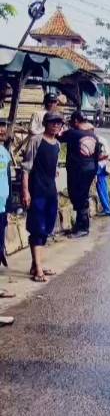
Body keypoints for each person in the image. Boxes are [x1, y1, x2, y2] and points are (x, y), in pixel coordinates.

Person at [22, 111, 64, 282]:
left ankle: (35, 264)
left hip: (50, 191)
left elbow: (54, 169)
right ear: (46, 123)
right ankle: (38, 269)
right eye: (53, 122)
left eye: (59, 123)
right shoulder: (36, 141)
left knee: (46, 227)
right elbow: (26, 168)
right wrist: (26, 191)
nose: (56, 125)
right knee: (37, 228)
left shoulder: (57, 144)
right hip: (37, 190)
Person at [60, 111, 101, 238]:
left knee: (78, 197)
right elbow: (97, 155)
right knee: (82, 196)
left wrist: (63, 125)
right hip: (90, 169)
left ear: (76, 121)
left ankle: (83, 227)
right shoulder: (93, 136)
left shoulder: (73, 133)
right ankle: (80, 225)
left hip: (77, 171)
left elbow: (59, 136)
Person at [0, 119, 15, 306]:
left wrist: (10, 205)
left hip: (2, 206)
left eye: (3, 126)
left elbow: (8, 181)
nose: (2, 130)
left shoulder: (4, 153)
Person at [95, 133, 110, 217]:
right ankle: (107, 207)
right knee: (104, 185)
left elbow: (104, 155)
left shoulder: (96, 140)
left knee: (100, 186)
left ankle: (107, 209)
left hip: (102, 163)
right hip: (106, 163)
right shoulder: (100, 138)